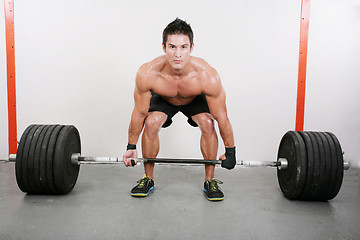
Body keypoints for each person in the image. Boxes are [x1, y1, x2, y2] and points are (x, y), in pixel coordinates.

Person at [122, 18, 236, 201]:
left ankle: (210, 180)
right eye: (172, 46)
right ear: (163, 47)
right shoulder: (148, 73)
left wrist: (231, 151)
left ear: (191, 47)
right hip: (165, 98)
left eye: (183, 47)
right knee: (151, 123)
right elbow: (140, 113)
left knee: (208, 123)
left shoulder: (207, 76)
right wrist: (131, 147)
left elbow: (222, 117)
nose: (178, 53)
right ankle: (148, 178)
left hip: (194, 98)